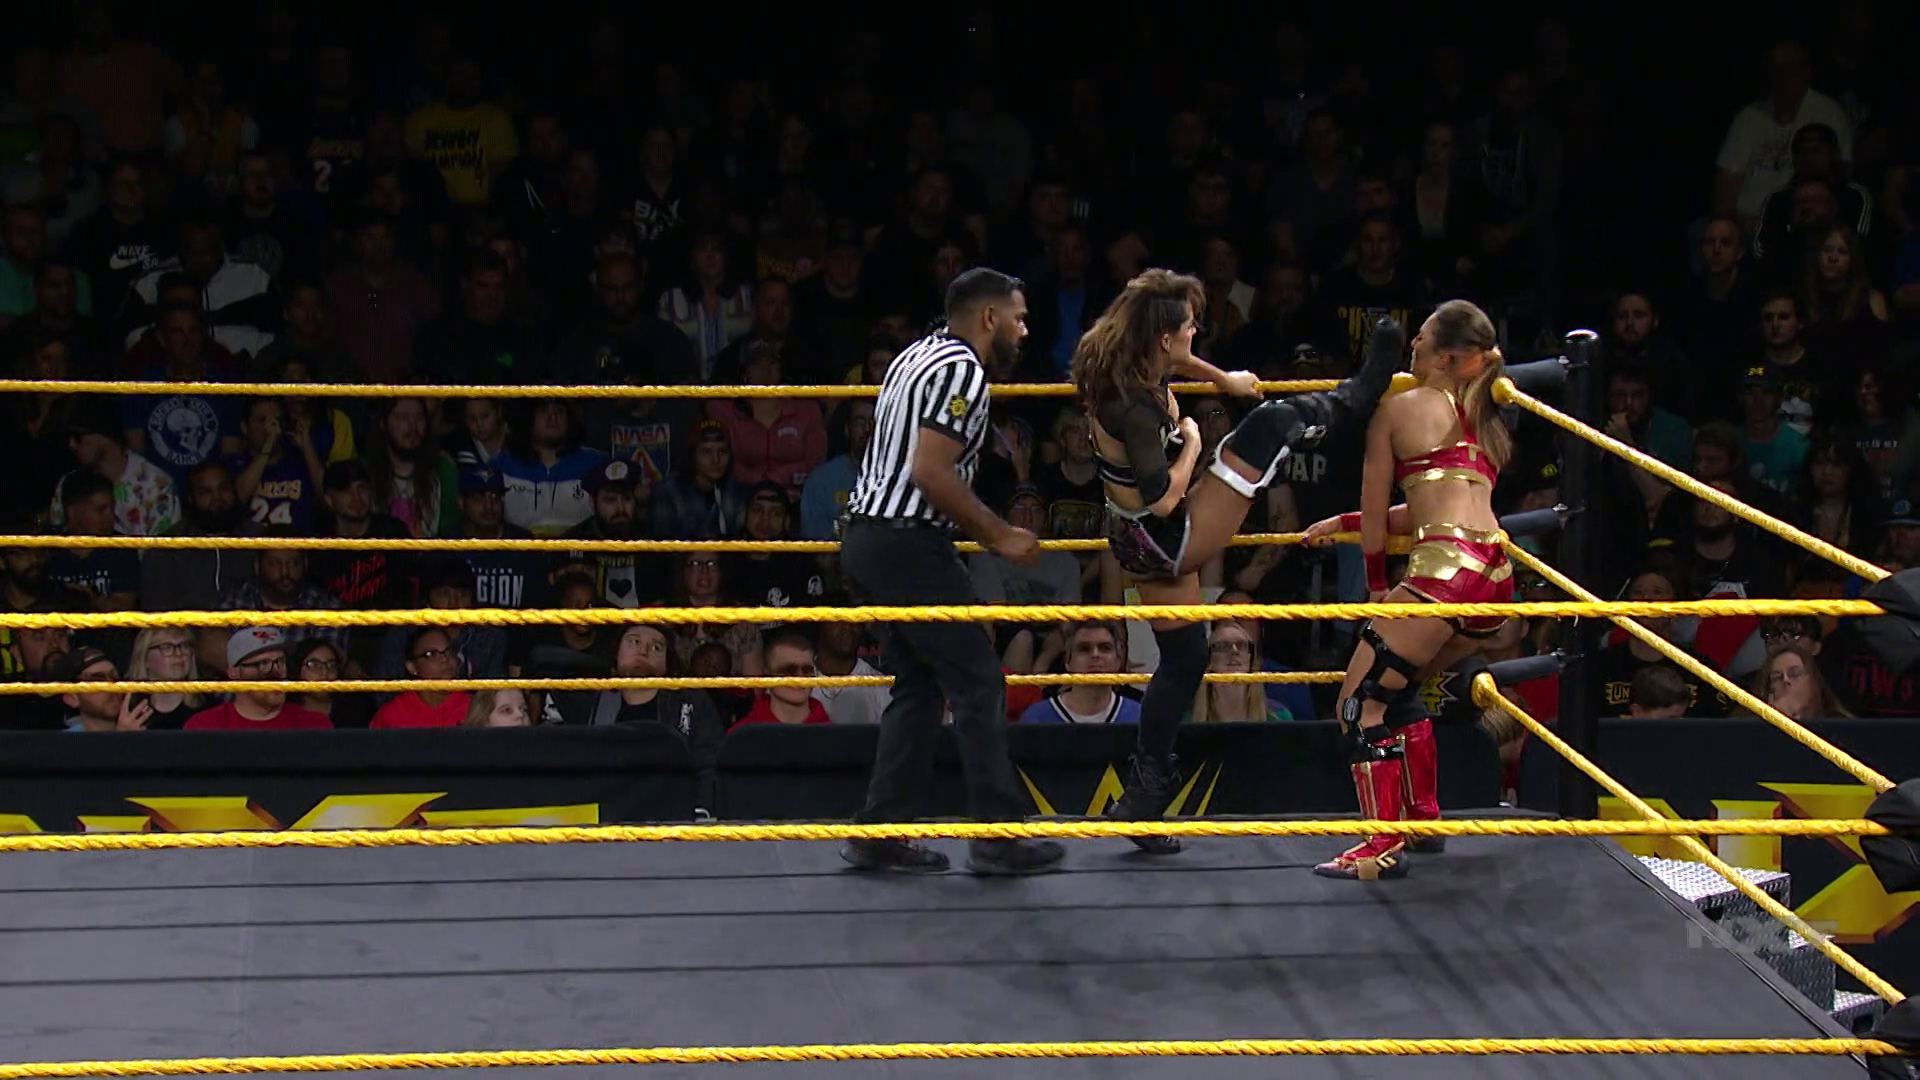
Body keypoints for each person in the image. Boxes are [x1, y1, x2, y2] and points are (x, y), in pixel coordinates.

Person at [1076, 268, 1401, 853]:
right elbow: (1163, 496)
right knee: (1266, 428)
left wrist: (1221, 377)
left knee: (1184, 657)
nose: (1195, 334)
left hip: (1135, 538)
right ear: (1161, 338)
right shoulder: (1135, 408)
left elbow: (1179, 363)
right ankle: (1355, 398)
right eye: (1188, 327)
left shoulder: (1132, 369)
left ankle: (1145, 793)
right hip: (1167, 535)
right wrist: (1194, 442)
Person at [837, 267, 1063, 877]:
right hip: (906, 543)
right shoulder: (962, 370)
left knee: (918, 685)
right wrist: (999, 533)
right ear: (989, 317)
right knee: (979, 680)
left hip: (869, 538)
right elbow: (930, 471)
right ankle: (997, 836)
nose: (1024, 330)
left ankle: (880, 831)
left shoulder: (915, 355)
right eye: (1017, 317)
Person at [1300, 298, 1513, 881]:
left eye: (1421, 336)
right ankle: (1422, 820)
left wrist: (1376, 587)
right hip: (1495, 577)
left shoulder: (1397, 407)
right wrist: (1341, 523)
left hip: (1442, 576)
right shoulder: (1484, 416)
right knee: (1397, 690)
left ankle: (1380, 844)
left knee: (1356, 705)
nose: (1411, 345)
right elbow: (1430, 507)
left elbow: (1378, 515)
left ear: (1444, 356)